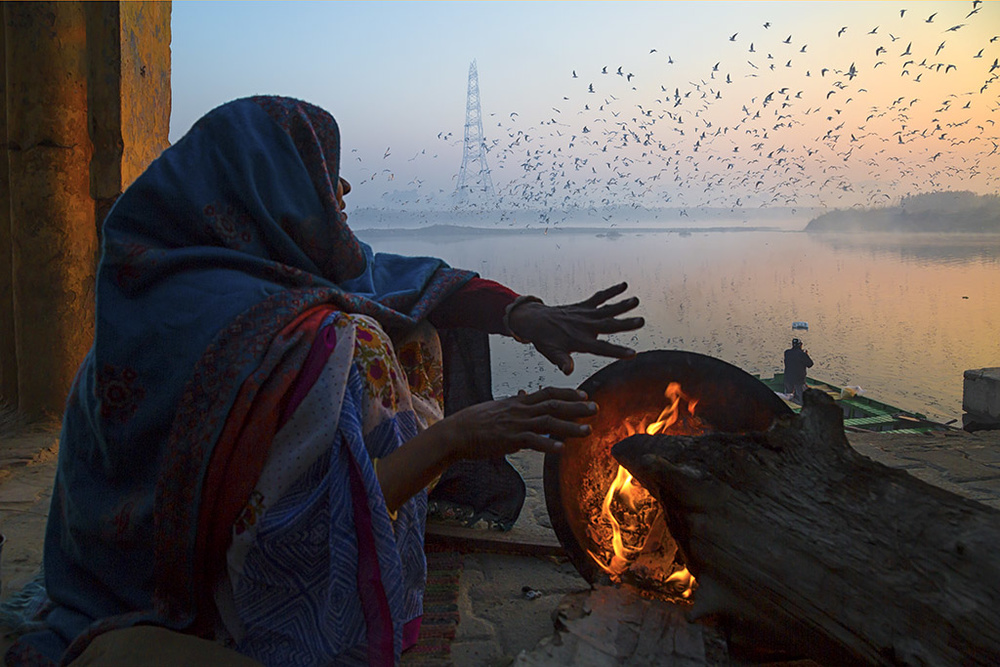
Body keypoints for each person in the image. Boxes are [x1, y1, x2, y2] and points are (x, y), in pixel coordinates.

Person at [6, 97, 644, 666]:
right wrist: (453, 440)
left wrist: (521, 314)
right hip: (223, 594)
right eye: (315, 167)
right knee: (361, 341)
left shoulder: (164, 282)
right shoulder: (286, 334)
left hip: (94, 572)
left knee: (403, 319)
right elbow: (296, 547)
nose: (339, 186)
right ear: (267, 191)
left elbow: (398, 275)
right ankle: (380, 510)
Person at [783, 338, 814, 404]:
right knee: (801, 398)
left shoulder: (787, 352)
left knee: (787, 395)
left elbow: (794, 357)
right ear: (800, 345)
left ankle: (788, 404)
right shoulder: (802, 354)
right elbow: (810, 364)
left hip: (788, 378)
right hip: (799, 380)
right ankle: (799, 407)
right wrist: (806, 355)